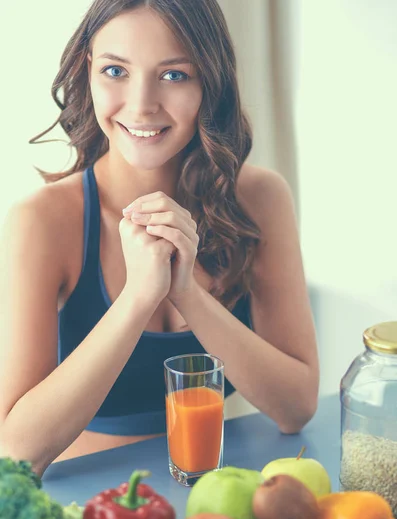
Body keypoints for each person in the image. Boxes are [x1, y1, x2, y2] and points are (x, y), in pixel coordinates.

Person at [0, 0, 319, 478]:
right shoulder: (43, 221)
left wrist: (186, 292)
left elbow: (295, 408)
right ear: (88, 71)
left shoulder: (260, 198)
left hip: (216, 493)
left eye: (174, 75)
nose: (142, 103)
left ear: (209, 83)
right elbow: (16, 451)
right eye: (115, 70)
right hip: (87, 504)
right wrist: (137, 298)